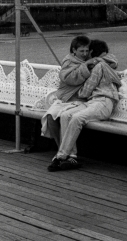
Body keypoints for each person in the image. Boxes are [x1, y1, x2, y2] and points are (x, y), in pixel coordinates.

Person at [47, 39, 127, 172]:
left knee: (77, 118)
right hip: (93, 102)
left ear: (91, 53)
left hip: (103, 102)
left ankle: (60, 157)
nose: (85, 56)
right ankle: (72, 156)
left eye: (87, 52)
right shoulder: (102, 64)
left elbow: (85, 92)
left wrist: (76, 92)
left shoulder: (99, 67)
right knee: (66, 115)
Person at [41, 34, 97, 166]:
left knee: (65, 117)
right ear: (74, 50)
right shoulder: (68, 61)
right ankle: (63, 151)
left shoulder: (92, 60)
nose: (84, 54)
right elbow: (69, 78)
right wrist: (86, 66)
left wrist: (89, 63)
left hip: (81, 100)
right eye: (81, 51)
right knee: (50, 117)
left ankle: (67, 154)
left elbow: (110, 60)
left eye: (86, 51)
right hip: (65, 98)